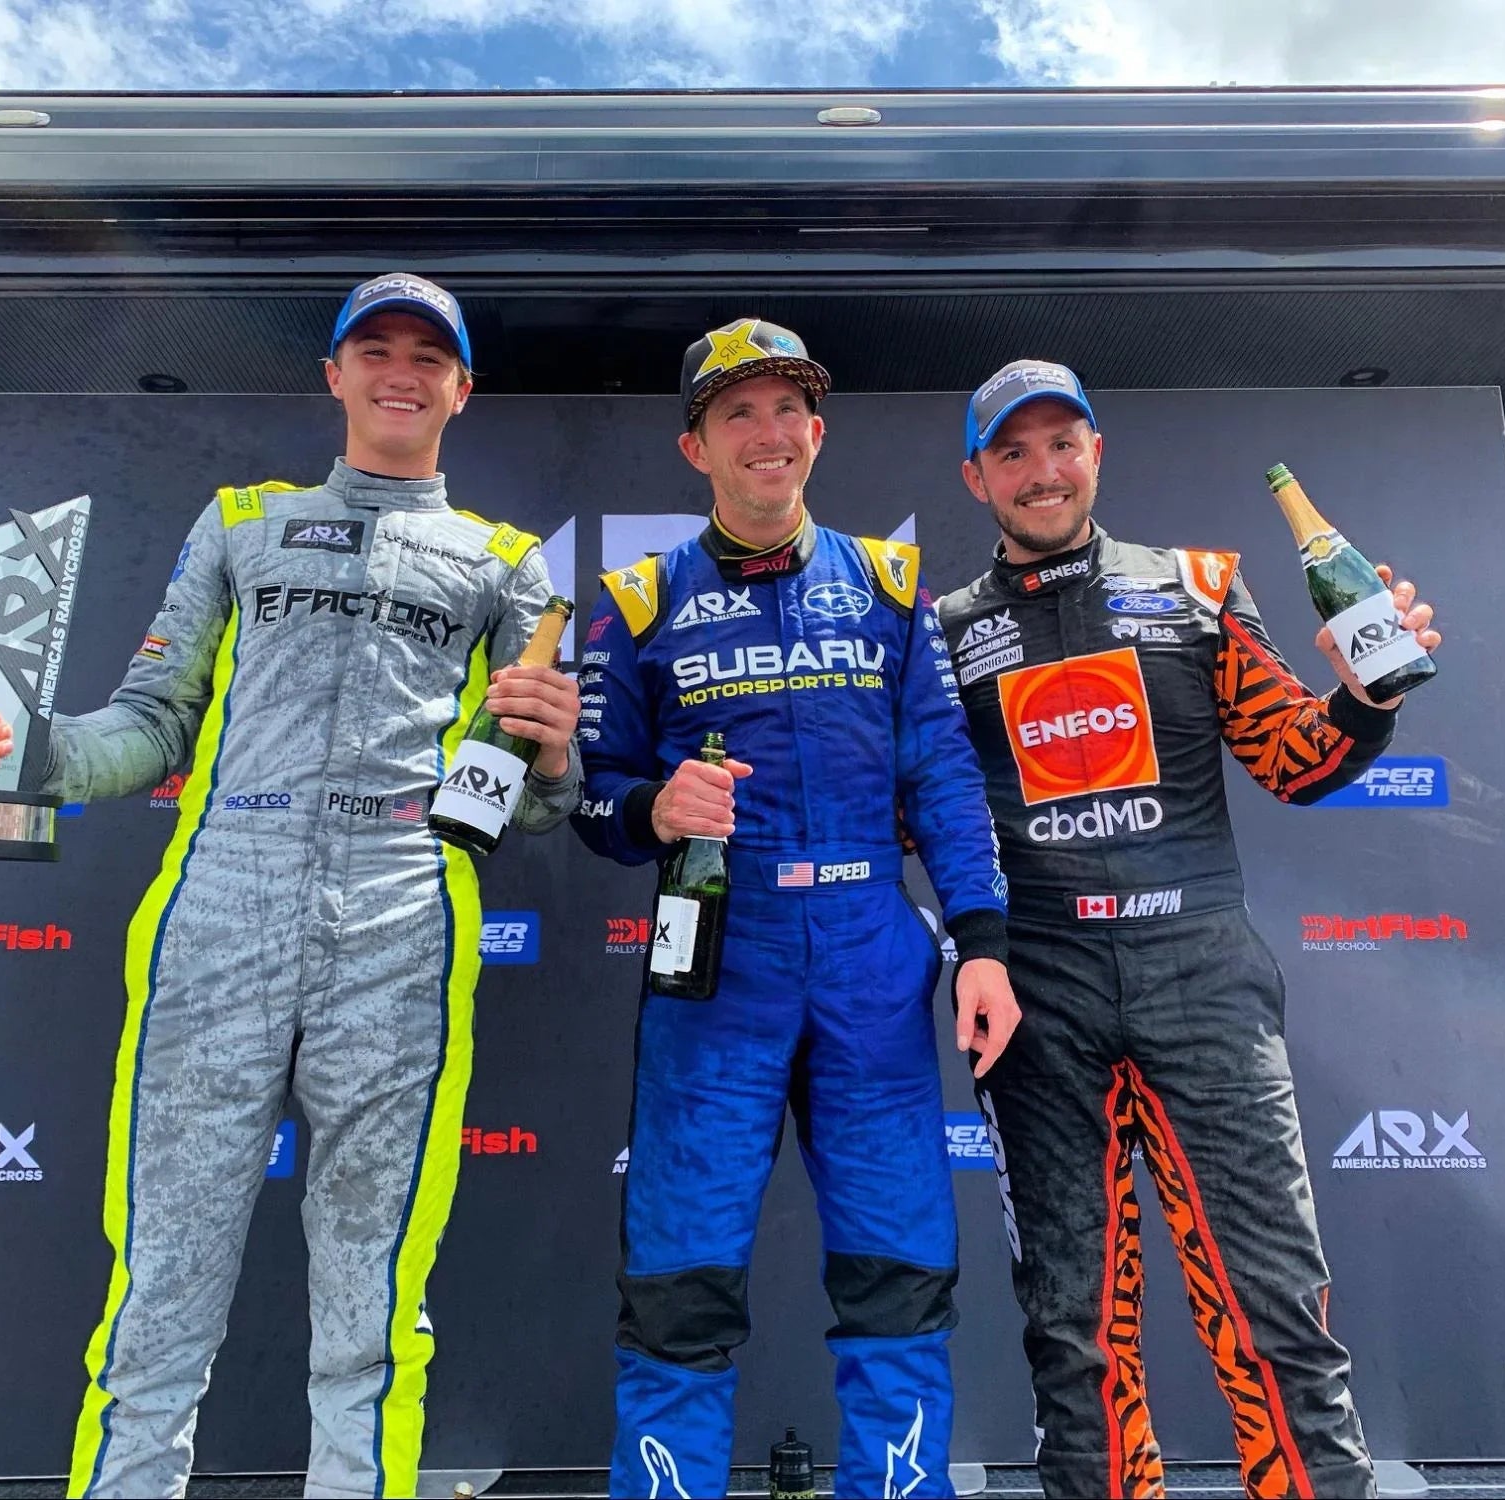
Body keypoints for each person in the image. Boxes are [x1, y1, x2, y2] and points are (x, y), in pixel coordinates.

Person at [0, 274, 583, 1500]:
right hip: (220, 907)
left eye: (427, 357)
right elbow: (150, 727)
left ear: (461, 388)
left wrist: (551, 746)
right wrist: (26, 753)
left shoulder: (510, 565)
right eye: (373, 349)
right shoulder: (238, 519)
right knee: (161, 1275)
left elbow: (534, 803)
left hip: (402, 917)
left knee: (374, 1287)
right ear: (332, 375)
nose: (400, 372)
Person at [937, 359, 1442, 1500]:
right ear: (977, 477)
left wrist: (1368, 697)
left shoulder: (1198, 586)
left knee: (1275, 1306)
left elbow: (1298, 761)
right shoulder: (945, 631)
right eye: (1011, 452)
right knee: (1072, 1330)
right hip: (1042, 995)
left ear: (1097, 454)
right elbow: (926, 813)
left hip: (1200, 976)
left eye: (1061, 443)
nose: (1040, 471)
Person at [572, 317, 1021, 1500]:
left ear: (815, 433)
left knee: (899, 1273)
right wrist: (653, 809)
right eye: (737, 415)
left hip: (872, 955)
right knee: (678, 1279)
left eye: (785, 412)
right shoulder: (637, 597)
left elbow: (940, 772)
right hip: (714, 960)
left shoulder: (887, 583)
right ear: (696, 447)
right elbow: (588, 795)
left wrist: (980, 941)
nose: (765, 436)